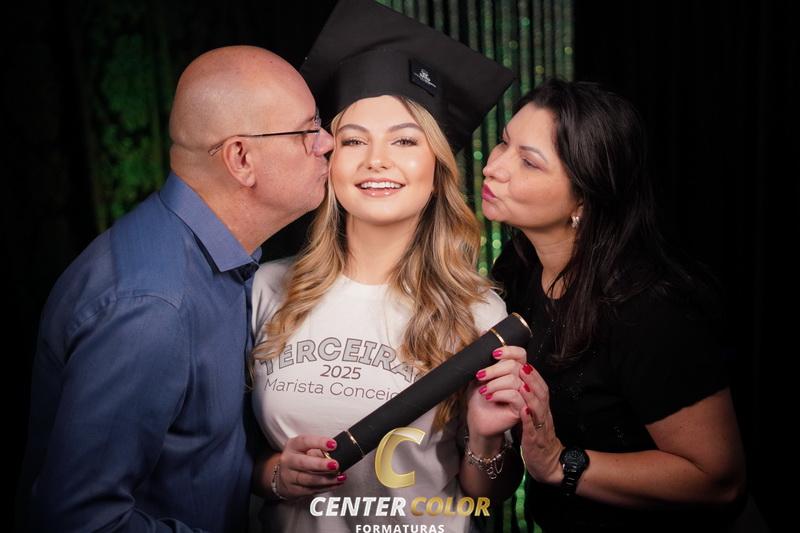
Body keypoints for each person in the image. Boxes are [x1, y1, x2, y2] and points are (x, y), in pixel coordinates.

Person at [16, 45, 333, 532]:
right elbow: (80, 521)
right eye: (307, 130)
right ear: (241, 159)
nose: (326, 142)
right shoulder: (152, 308)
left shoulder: (219, 257)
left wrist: (266, 474)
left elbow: (189, 449)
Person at [249, 1, 523, 531]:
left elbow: (487, 495)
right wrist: (274, 474)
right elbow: (217, 455)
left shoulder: (480, 314)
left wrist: (488, 439)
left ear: (437, 167)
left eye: (404, 140)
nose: (376, 159)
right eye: (354, 140)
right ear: (329, 161)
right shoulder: (268, 289)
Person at [482, 78, 747, 532]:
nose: (493, 167)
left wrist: (559, 464)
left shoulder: (650, 310)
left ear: (584, 198)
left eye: (528, 161)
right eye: (504, 142)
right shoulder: (519, 264)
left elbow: (718, 479)